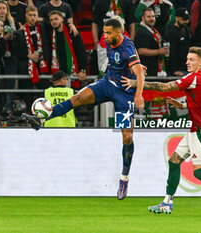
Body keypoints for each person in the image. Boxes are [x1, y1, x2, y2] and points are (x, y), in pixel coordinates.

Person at [22, 18, 145, 200]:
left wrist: (138, 95)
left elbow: (139, 73)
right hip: (107, 83)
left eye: (109, 32)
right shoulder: (108, 42)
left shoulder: (127, 46)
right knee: (77, 97)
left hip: (125, 93)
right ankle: (41, 120)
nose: (105, 35)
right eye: (104, 31)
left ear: (119, 33)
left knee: (127, 137)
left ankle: (124, 178)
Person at [121, 46, 201, 215]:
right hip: (195, 128)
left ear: (200, 63)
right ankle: (167, 203)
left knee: (199, 171)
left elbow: (164, 88)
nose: (187, 62)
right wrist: (184, 106)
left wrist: (137, 83)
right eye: (187, 59)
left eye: (191, 59)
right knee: (174, 161)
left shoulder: (194, 78)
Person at [12, 5, 50, 112]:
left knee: (43, 91)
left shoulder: (43, 28)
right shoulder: (20, 33)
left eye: (34, 15)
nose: (32, 17)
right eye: (30, 15)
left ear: (37, 16)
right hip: (26, 67)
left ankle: (42, 113)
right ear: (25, 16)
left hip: (41, 66)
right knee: (27, 94)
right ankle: (29, 114)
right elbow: (15, 51)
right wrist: (28, 55)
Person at [48, 10, 87, 80]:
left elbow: (81, 51)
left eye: (56, 19)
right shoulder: (49, 33)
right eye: (51, 20)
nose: (53, 21)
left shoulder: (72, 32)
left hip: (73, 70)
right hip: (58, 73)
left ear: (62, 19)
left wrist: (83, 69)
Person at [134, 7, 168, 76]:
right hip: (147, 70)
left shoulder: (152, 30)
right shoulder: (142, 31)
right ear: (143, 18)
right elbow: (141, 50)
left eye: (153, 16)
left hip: (154, 68)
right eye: (148, 17)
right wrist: (159, 51)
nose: (151, 19)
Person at [164, 7, 191, 77]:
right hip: (176, 69)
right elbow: (171, 52)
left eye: (187, 19)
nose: (186, 21)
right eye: (183, 19)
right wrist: (174, 69)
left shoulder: (186, 30)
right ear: (177, 18)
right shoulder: (171, 32)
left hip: (185, 65)